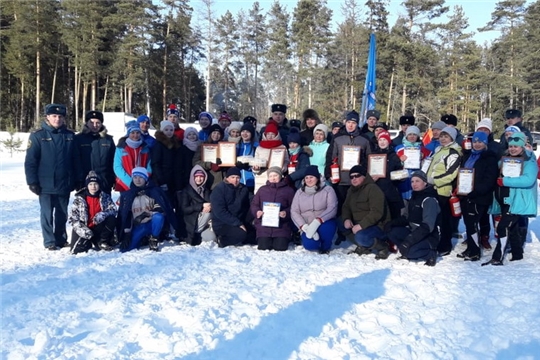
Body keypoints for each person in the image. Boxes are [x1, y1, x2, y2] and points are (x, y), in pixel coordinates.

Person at [25, 103, 81, 250]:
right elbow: (31, 161)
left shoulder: (69, 136)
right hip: (45, 184)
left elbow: (76, 160)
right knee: (47, 214)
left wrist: (77, 179)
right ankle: (49, 241)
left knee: (62, 214)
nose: (57, 119)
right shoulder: (38, 136)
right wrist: (32, 181)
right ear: (47, 117)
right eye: (54, 116)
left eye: (60, 116)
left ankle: (61, 239)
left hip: (65, 182)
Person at [482, 133, 538, 265]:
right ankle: (518, 253)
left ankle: (497, 257)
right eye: (511, 146)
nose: (513, 149)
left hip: (516, 201)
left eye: (516, 147)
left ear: (523, 147)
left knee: (503, 227)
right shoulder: (504, 160)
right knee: (512, 227)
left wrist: (505, 181)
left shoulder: (529, 162)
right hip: (504, 199)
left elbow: (528, 180)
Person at [456, 131, 498, 261]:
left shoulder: (489, 158)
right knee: (469, 224)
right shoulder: (468, 156)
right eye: (475, 141)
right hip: (465, 195)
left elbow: (489, 180)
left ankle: (474, 252)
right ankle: (470, 248)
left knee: (473, 224)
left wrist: (475, 191)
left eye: (480, 142)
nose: (477, 144)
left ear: (485, 143)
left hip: (478, 197)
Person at [384, 171, 440, 266]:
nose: (414, 184)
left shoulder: (429, 199)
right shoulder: (413, 196)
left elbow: (427, 226)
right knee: (391, 231)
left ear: (425, 183)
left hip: (429, 236)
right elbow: (406, 217)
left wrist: (409, 241)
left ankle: (430, 253)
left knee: (409, 252)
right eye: (412, 181)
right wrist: (392, 223)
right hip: (413, 231)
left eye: (417, 181)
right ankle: (407, 248)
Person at [116, 167, 177, 252]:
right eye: (135, 177)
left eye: (140, 177)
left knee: (158, 217)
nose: (138, 180)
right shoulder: (128, 195)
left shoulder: (154, 191)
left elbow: (161, 208)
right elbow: (126, 215)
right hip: (138, 226)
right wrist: (127, 234)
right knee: (126, 249)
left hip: (152, 224)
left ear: (145, 178)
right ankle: (143, 239)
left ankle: (153, 239)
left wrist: (146, 214)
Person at [425, 126, 462, 256]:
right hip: (432, 188)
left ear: (452, 138)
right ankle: (435, 242)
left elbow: (451, 173)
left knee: (444, 220)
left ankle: (445, 245)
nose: (443, 139)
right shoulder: (439, 150)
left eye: (446, 137)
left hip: (443, 190)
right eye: (441, 136)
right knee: (434, 219)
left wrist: (434, 180)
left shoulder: (454, 152)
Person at [341, 165, 391, 259]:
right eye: (351, 177)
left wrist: (361, 226)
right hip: (360, 225)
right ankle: (364, 246)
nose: (354, 179)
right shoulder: (351, 190)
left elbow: (377, 212)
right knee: (340, 224)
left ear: (364, 176)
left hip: (377, 226)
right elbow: (346, 207)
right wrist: (346, 219)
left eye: (357, 176)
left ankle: (383, 246)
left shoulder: (373, 189)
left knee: (361, 237)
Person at [325, 110, 372, 211]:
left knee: (357, 208)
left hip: (358, 181)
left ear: (357, 124)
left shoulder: (364, 139)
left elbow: (369, 159)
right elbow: (330, 157)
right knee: (340, 208)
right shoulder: (337, 138)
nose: (350, 125)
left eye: (353, 123)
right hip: (340, 180)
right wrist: (329, 175)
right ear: (345, 123)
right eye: (349, 122)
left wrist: (366, 175)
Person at [290, 166, 338, 254]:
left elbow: (332, 207)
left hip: (324, 221)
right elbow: (294, 211)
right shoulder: (299, 192)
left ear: (317, 178)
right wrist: (303, 226)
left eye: (311, 177)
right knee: (310, 246)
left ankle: (325, 246)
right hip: (307, 224)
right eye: (306, 178)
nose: (309, 180)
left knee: (326, 229)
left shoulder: (328, 190)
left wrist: (318, 220)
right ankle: (313, 242)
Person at [68, 171, 117, 254]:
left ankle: (102, 241)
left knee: (111, 219)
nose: (93, 187)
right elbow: (72, 218)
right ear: (87, 185)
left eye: (95, 184)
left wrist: (103, 214)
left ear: (99, 185)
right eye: (90, 184)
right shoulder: (79, 199)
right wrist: (82, 230)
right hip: (85, 227)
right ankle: (88, 242)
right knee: (76, 250)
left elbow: (113, 209)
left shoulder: (104, 196)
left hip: (99, 226)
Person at [251, 167, 296, 251]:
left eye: (275, 175)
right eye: (270, 176)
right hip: (264, 226)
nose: (273, 178)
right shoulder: (262, 190)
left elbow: (294, 207)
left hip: (282, 226)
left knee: (280, 247)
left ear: (280, 176)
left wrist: (286, 213)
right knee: (263, 247)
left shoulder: (288, 190)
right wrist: (257, 212)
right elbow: (254, 204)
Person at [210, 167, 255, 247]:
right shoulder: (219, 189)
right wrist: (237, 223)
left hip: (239, 218)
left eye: (237, 177)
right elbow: (220, 212)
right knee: (241, 234)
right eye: (232, 177)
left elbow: (252, 199)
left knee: (254, 237)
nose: (235, 180)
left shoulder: (243, 188)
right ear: (227, 178)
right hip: (222, 223)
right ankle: (222, 241)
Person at [75, 110, 116, 194]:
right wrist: (77, 179)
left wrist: (113, 179)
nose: (95, 125)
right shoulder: (78, 139)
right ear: (86, 123)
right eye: (91, 122)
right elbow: (75, 161)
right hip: (84, 182)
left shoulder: (108, 140)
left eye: (98, 122)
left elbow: (113, 160)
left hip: (104, 182)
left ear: (101, 124)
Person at [371, 130, 404, 220]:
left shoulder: (394, 156)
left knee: (392, 217)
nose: (382, 142)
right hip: (376, 189)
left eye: (384, 140)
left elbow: (399, 174)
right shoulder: (372, 155)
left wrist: (398, 176)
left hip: (390, 190)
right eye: (380, 140)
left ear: (389, 141)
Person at [180, 165, 216, 246]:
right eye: (196, 176)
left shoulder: (206, 191)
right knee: (208, 213)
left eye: (201, 176)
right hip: (191, 220)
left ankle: (198, 235)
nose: (199, 179)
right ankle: (194, 234)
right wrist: (201, 206)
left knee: (211, 238)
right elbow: (184, 209)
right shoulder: (186, 191)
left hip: (204, 222)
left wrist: (209, 207)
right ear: (192, 177)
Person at [394, 125, 430, 202]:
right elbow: (393, 165)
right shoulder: (398, 148)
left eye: (414, 134)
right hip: (403, 181)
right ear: (406, 135)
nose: (412, 136)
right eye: (410, 134)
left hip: (418, 181)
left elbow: (428, 166)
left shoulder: (424, 150)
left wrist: (423, 159)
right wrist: (400, 161)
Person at [113, 121, 152, 192]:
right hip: (125, 184)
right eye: (132, 133)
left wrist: (144, 179)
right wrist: (130, 182)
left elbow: (149, 166)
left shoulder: (145, 148)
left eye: (138, 132)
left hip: (142, 184)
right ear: (128, 134)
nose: (135, 135)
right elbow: (117, 167)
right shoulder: (121, 148)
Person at [151, 120, 183, 202]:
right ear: (162, 131)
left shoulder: (175, 143)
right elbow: (155, 164)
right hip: (163, 179)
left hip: (173, 179)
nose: (169, 132)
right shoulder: (159, 144)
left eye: (171, 130)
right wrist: (161, 181)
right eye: (166, 130)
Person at [193, 124, 226, 190]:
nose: (216, 135)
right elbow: (195, 162)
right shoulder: (203, 146)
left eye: (218, 133)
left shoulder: (226, 146)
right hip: (210, 179)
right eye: (214, 133)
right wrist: (210, 164)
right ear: (210, 134)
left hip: (224, 179)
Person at [235, 122, 258, 192]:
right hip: (238, 181)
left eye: (247, 132)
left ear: (252, 134)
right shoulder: (236, 146)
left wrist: (248, 166)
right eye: (243, 131)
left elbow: (259, 162)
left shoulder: (256, 146)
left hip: (251, 180)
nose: (245, 134)